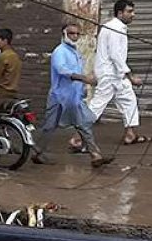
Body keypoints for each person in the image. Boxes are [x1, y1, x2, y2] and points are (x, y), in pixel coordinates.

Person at [33, 23, 113, 168]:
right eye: (71, 33)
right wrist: (84, 79)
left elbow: (78, 71)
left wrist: (82, 88)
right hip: (59, 97)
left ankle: (95, 155)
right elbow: (62, 70)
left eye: (77, 34)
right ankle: (37, 151)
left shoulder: (75, 52)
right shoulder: (60, 52)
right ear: (64, 34)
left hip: (73, 98)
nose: (75, 36)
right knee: (50, 126)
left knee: (84, 125)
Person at [85, 0, 146, 145]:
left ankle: (130, 134)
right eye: (129, 11)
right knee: (96, 106)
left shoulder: (118, 28)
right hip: (109, 75)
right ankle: (76, 138)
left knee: (129, 100)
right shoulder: (113, 28)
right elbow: (115, 55)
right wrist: (130, 76)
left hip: (117, 76)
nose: (133, 15)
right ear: (120, 13)